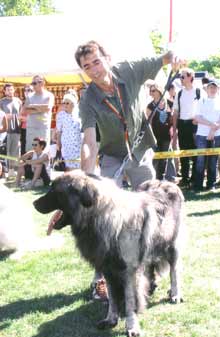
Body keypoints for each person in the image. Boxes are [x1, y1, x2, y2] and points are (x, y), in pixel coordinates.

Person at [74, 40, 182, 300]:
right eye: (87, 67)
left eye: (96, 62)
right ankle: (100, 277)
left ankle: (150, 270)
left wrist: (174, 56)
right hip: (111, 155)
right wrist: (86, 179)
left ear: (107, 58)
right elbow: (89, 141)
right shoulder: (88, 98)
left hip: (141, 151)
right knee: (103, 218)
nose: (94, 70)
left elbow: (164, 57)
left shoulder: (130, 70)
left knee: (150, 214)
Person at [173, 68, 202, 188]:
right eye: (180, 77)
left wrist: (199, 120)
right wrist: (174, 130)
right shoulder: (179, 93)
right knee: (184, 153)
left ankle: (195, 179)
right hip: (182, 125)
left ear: (190, 77)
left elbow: (205, 109)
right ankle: (185, 179)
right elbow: (175, 112)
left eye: (183, 76)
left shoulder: (199, 92)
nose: (181, 79)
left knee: (195, 153)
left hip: (195, 125)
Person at [193, 80, 220, 192]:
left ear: (218, 89)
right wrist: (211, 126)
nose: (212, 89)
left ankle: (211, 185)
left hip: (218, 135)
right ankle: (198, 186)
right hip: (202, 135)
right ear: (206, 89)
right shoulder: (201, 101)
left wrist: (213, 130)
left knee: (213, 161)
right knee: (200, 160)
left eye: (215, 87)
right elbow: (197, 117)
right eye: (210, 87)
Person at [146, 84, 176, 181]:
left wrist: (174, 130)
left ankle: (162, 178)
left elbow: (174, 119)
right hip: (155, 136)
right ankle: (154, 178)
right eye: (151, 91)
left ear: (159, 91)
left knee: (165, 159)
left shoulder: (170, 104)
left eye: (153, 90)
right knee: (155, 159)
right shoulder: (150, 106)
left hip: (167, 135)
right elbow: (149, 123)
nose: (151, 93)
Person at [23, 75, 55, 151]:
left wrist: (32, 107)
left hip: (43, 128)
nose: (33, 85)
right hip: (31, 128)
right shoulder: (29, 96)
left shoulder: (49, 95)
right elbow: (25, 110)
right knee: (31, 151)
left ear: (42, 83)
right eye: (32, 83)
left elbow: (47, 108)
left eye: (35, 83)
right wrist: (40, 108)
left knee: (43, 152)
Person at [0, 83, 22, 178]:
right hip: (5, 131)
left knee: (15, 151)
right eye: (8, 89)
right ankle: (5, 170)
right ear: (4, 91)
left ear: (14, 90)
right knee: (5, 151)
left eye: (11, 89)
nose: (10, 91)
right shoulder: (2, 102)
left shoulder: (18, 101)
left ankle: (12, 170)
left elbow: (21, 115)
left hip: (16, 130)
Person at [56, 92, 82, 171]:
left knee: (78, 164)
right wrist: (58, 143)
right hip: (67, 143)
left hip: (78, 143)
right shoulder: (61, 115)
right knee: (68, 164)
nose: (65, 105)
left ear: (73, 104)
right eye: (64, 103)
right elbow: (59, 130)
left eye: (67, 103)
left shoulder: (79, 114)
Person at [20, 84, 34, 155]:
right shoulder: (23, 103)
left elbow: (42, 118)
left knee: (33, 150)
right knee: (24, 150)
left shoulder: (37, 103)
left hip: (34, 129)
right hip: (24, 129)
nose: (26, 92)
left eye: (29, 90)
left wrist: (28, 119)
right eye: (25, 90)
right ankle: (25, 165)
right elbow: (20, 117)